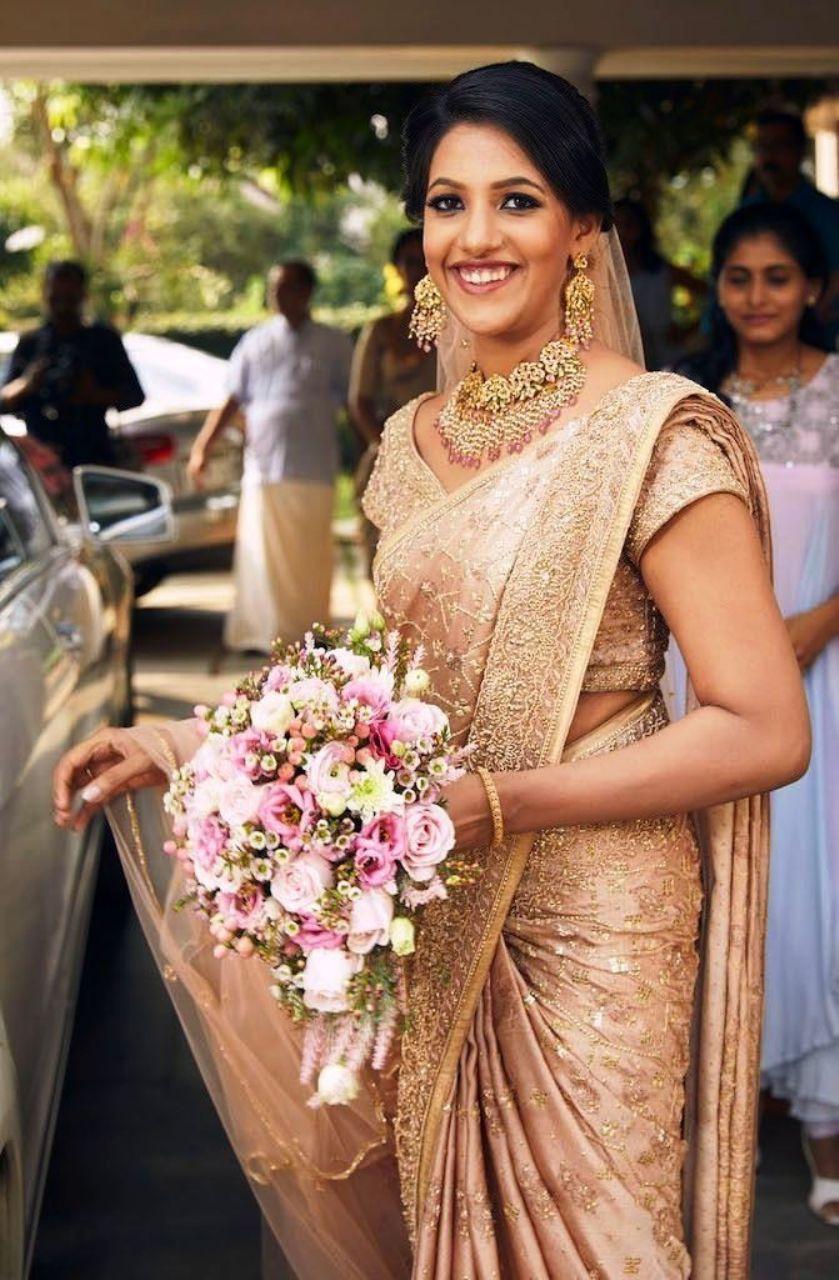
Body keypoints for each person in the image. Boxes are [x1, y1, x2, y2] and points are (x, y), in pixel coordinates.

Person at [53, 63, 810, 1280]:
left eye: (515, 201)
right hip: (427, 897)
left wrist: (499, 803)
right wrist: (193, 746)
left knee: (595, 1240)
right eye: (445, 203)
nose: (474, 236)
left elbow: (764, 726)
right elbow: (390, 691)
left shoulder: (657, 432)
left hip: (590, 918)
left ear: (582, 235)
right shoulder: (405, 448)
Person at [676, 202, 839, 1226]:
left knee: (818, 889)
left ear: (814, 287)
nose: (756, 297)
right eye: (737, 277)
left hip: (824, 674)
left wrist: (815, 625)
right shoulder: (693, 404)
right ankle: (720, 1113)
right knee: (729, 879)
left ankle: (826, 1129)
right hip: (708, 680)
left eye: (776, 277)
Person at [188, 260, 353, 653]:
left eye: (289, 287)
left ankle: (309, 635)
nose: (279, 295)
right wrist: (201, 448)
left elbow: (354, 401)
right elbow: (231, 399)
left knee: (308, 559)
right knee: (260, 555)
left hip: (312, 467)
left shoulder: (334, 343)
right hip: (263, 467)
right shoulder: (254, 341)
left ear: (308, 292)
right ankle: (259, 635)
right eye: (275, 287)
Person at [0, 260, 144, 469]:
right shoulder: (32, 343)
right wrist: (28, 384)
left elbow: (134, 396)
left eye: (69, 298)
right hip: (42, 465)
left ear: (82, 296)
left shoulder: (102, 340)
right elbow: (4, 402)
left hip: (92, 458)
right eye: (56, 297)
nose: (62, 305)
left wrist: (93, 394)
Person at [349, 228, 437, 566]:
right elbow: (360, 400)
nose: (418, 270)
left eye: (425, 260)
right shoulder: (380, 330)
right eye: (410, 261)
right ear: (397, 268)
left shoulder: (461, 324)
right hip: (388, 453)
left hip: (448, 456)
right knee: (386, 560)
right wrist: (391, 449)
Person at [743, 109, 839, 346]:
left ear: (799, 151)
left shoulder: (827, 213)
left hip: (814, 343)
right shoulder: (745, 213)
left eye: (779, 146)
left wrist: (801, 323)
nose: (769, 156)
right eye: (762, 147)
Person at [613, 197, 707, 369]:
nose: (621, 233)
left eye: (627, 225)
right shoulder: (599, 275)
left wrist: (689, 329)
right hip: (624, 361)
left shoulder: (661, 271)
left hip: (667, 360)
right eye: (615, 225)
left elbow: (714, 295)